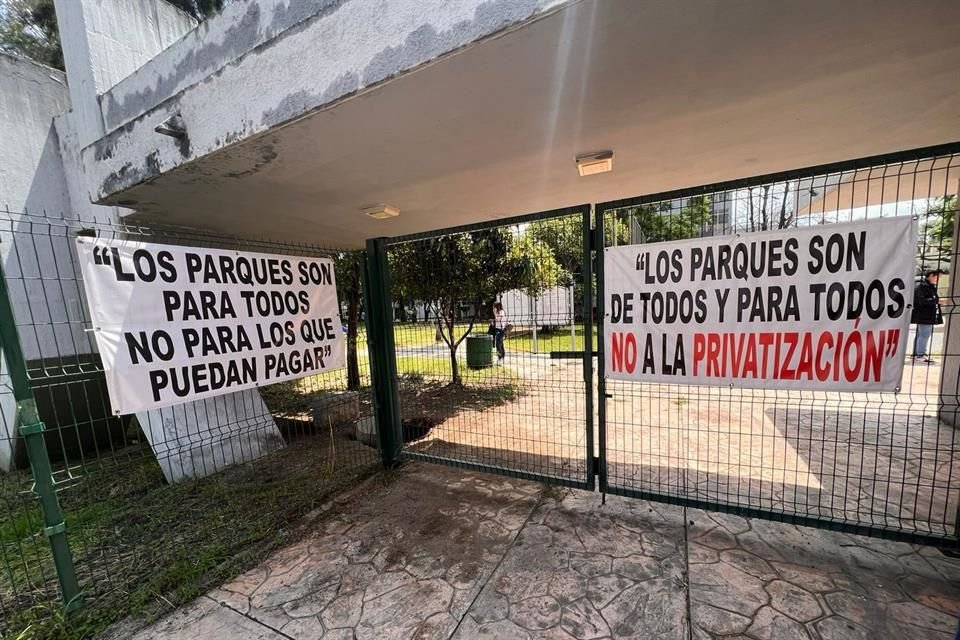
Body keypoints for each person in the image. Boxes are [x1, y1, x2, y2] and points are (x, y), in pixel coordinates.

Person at [911, 269, 944, 364]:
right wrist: (936, 301)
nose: (937, 280)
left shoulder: (928, 286)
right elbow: (920, 300)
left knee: (921, 334)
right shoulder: (922, 286)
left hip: (926, 314)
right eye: (937, 277)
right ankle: (920, 355)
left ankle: (917, 354)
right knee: (924, 334)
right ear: (931, 275)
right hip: (924, 315)